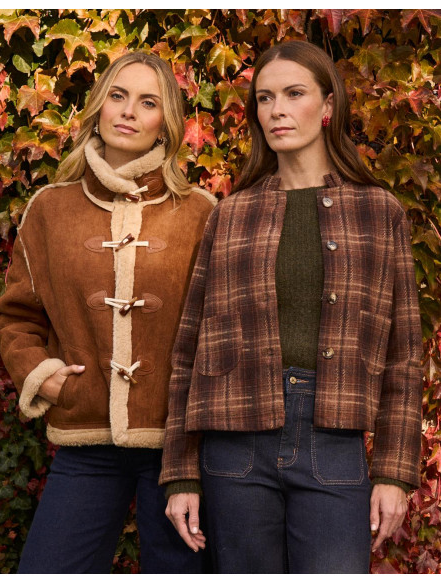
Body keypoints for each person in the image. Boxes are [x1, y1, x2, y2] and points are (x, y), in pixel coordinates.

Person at [159, 40, 423, 574]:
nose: (277, 110)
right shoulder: (230, 214)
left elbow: (404, 356)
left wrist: (394, 473)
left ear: (328, 105)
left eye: (294, 94)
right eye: (265, 98)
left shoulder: (379, 212)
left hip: (334, 442)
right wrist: (180, 472)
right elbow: (189, 350)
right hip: (234, 443)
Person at [0, 50, 215, 574]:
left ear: (167, 123)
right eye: (118, 96)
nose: (129, 111)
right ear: (98, 107)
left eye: (148, 102)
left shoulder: (201, 212)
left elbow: (222, 331)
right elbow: (15, 315)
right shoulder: (49, 209)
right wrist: (43, 376)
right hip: (85, 438)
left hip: (179, 450)